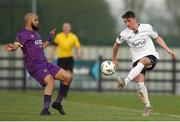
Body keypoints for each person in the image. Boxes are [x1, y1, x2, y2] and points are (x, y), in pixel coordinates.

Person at [4, 13, 72, 116]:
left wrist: (50, 38)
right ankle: (45, 111)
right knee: (50, 82)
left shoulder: (36, 34)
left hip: (44, 63)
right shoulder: (23, 33)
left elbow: (41, 47)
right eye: (36, 20)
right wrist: (12, 47)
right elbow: (16, 44)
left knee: (67, 77)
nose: (37, 22)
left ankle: (57, 103)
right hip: (34, 65)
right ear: (29, 21)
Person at [112, 11, 176, 117]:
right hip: (136, 61)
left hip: (150, 56)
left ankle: (125, 81)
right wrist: (114, 59)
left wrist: (168, 50)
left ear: (134, 19)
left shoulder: (147, 27)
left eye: (129, 21)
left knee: (143, 60)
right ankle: (148, 107)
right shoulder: (124, 34)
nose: (127, 24)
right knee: (139, 84)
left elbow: (158, 38)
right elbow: (116, 45)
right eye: (125, 22)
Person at [49, 22, 81, 99]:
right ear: (63, 28)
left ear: (70, 28)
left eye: (67, 27)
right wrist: (51, 56)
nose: (66, 28)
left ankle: (65, 92)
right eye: (64, 27)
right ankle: (62, 93)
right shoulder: (58, 36)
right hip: (61, 58)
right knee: (62, 76)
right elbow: (54, 47)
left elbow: (78, 47)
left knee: (69, 76)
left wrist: (78, 54)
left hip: (70, 58)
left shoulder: (73, 37)